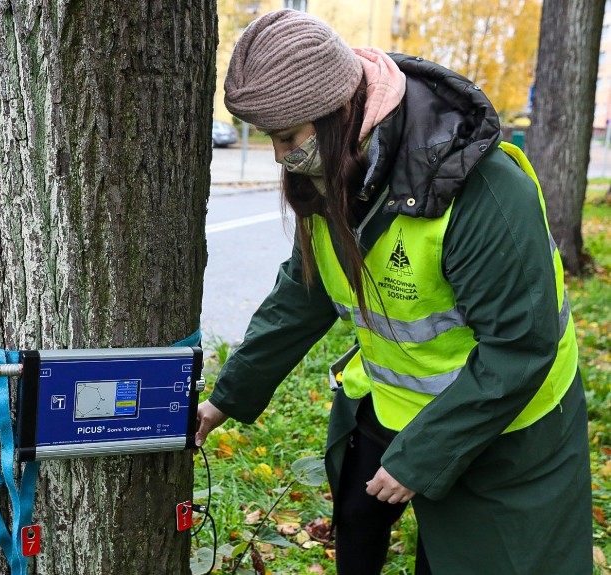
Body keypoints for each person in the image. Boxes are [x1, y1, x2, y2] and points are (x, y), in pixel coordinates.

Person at [194, 9, 592, 575]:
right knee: (358, 520)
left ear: (337, 115)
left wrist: (422, 459)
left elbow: (518, 351)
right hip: (394, 402)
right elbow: (302, 296)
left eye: (287, 138)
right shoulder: (335, 173)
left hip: (507, 425)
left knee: (466, 558)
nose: (281, 157)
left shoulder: (485, 194)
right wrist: (225, 399)